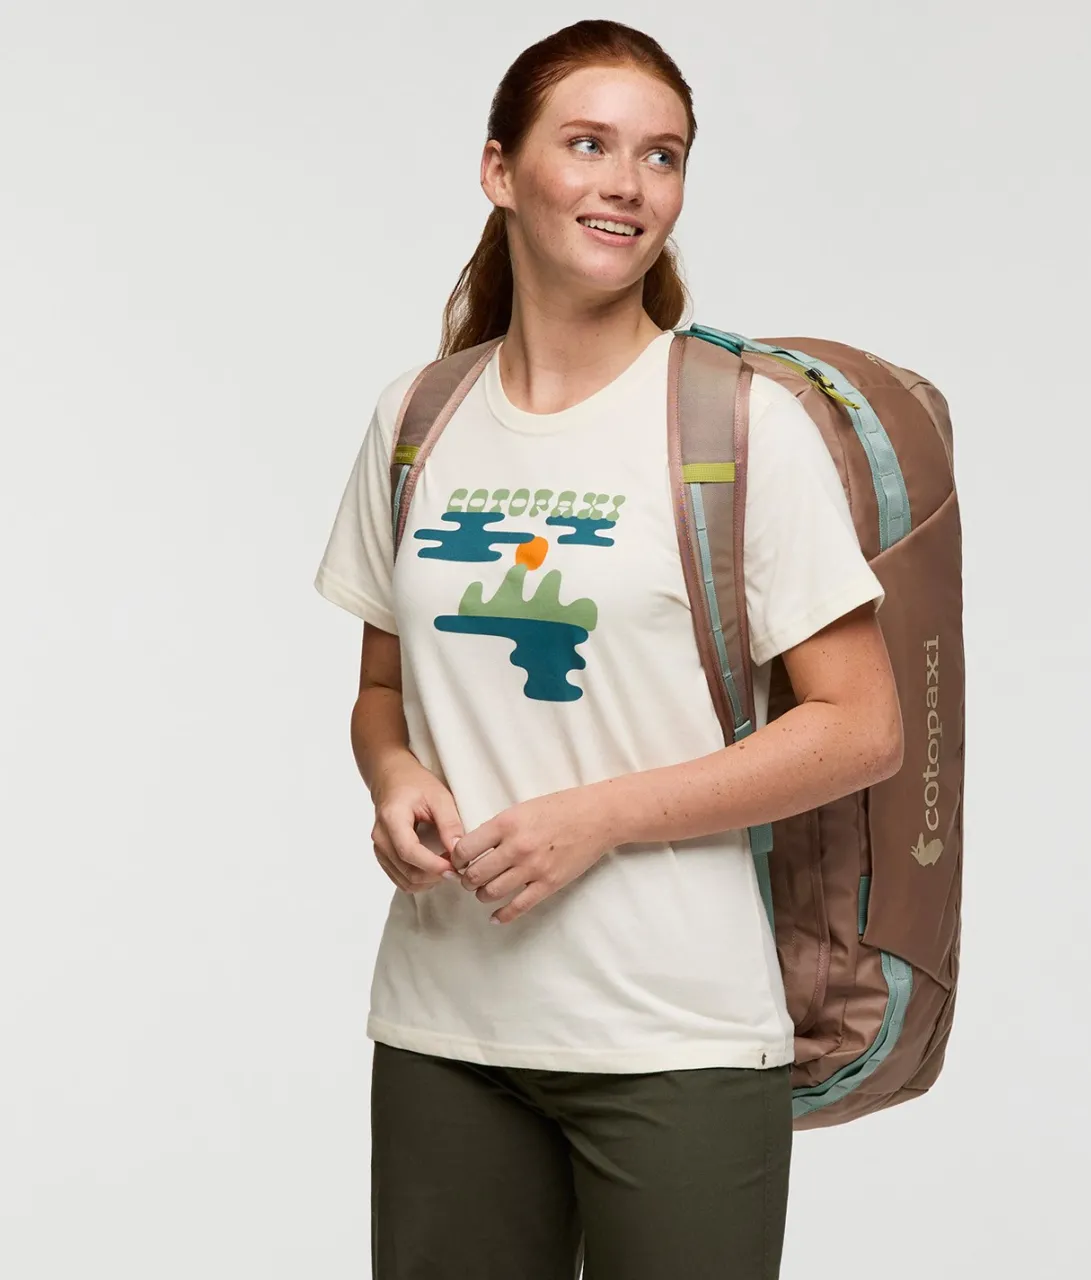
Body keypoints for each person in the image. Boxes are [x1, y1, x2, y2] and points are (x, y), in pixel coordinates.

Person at [314, 19, 903, 1280]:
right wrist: (393, 775)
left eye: (660, 154)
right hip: (444, 1026)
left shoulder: (738, 424)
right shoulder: (419, 416)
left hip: (674, 1032)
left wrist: (598, 817)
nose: (627, 183)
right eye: (587, 144)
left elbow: (859, 724)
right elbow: (380, 685)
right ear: (499, 169)